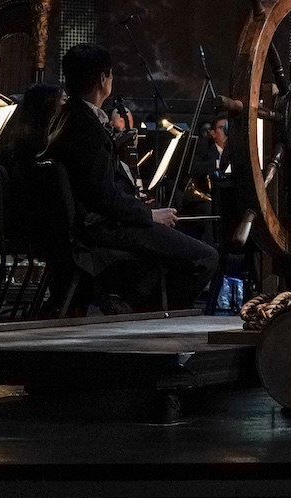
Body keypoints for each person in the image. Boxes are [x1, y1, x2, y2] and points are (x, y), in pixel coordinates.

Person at [51, 43, 221, 311]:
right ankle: (149, 317)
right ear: (103, 79)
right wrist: (148, 215)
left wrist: (113, 152)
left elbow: (91, 178)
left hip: (91, 225)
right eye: (110, 74)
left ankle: (133, 305)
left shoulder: (66, 118)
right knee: (205, 258)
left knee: (167, 254)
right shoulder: (86, 127)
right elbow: (104, 196)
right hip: (102, 229)